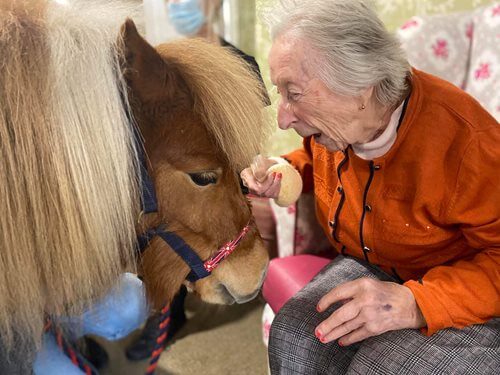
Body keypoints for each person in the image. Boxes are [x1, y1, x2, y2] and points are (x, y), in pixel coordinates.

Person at [240, 0, 500, 373]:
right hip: (374, 262)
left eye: (293, 94)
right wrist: (284, 170)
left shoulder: (469, 145)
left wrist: (414, 302)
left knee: (379, 368)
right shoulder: (340, 127)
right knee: (294, 335)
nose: (282, 119)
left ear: (360, 88)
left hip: (461, 285)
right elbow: (314, 160)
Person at [124, 0, 270, 361]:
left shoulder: (242, 63)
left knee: (202, 229)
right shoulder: (175, 66)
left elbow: (249, 134)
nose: (182, 7)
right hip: (192, 174)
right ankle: (165, 317)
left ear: (214, 6)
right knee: (173, 228)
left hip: (227, 173)